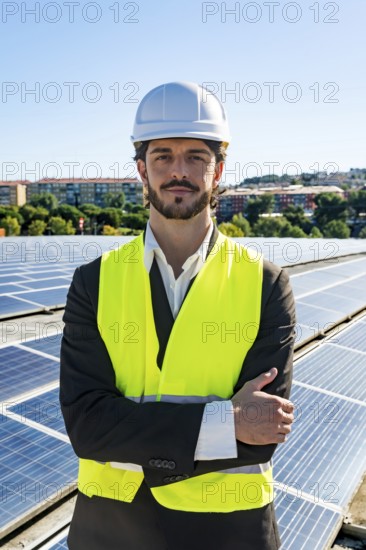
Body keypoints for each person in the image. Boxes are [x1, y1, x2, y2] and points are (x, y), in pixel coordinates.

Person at [60, 81, 296, 550]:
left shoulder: (266, 284)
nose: (179, 171)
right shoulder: (94, 282)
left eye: (196, 156)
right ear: (141, 170)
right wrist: (225, 422)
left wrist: (136, 432)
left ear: (219, 169)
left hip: (230, 533)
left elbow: (263, 433)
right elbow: (88, 427)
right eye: (163, 155)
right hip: (110, 532)